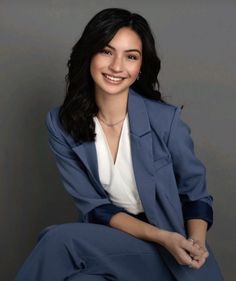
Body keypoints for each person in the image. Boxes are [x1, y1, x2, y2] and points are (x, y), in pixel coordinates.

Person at [14, 7, 224, 281]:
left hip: (172, 250)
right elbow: (94, 207)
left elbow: (196, 196)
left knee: (58, 240)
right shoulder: (60, 124)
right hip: (114, 240)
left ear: (140, 68)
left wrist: (193, 244)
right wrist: (159, 236)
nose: (116, 67)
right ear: (89, 55)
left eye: (131, 57)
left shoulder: (165, 120)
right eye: (106, 51)